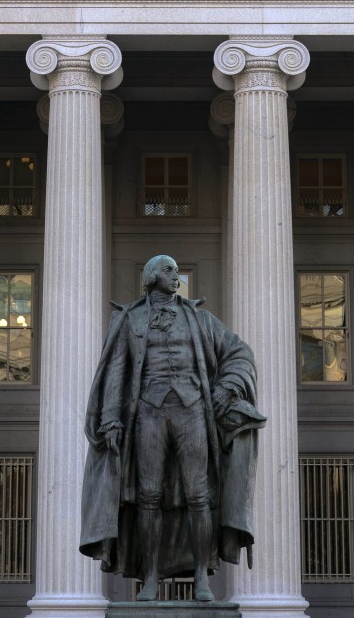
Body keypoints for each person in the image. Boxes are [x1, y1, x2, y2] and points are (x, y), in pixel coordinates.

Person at [80, 255, 266, 601]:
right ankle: (149, 578)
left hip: (193, 411)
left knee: (199, 495)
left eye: (178, 270)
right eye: (168, 270)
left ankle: (201, 579)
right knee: (148, 496)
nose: (176, 274)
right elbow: (117, 370)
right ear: (151, 277)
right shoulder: (130, 320)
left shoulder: (200, 319)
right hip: (148, 412)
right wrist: (110, 419)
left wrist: (227, 387)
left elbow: (239, 352)